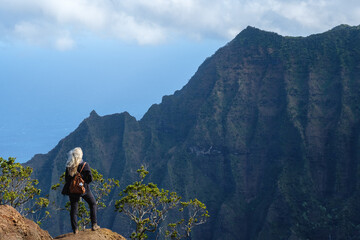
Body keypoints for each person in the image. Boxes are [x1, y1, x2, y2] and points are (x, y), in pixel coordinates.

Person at [61, 147, 100, 234]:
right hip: (84, 189)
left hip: (73, 191)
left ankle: (75, 229)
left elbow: (67, 179)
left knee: (74, 210)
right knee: (93, 203)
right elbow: (90, 178)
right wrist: (82, 183)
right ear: (80, 155)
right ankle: (94, 225)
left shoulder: (69, 165)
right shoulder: (84, 165)